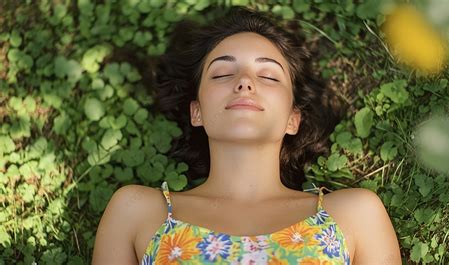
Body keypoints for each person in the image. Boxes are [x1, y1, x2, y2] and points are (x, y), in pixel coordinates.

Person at [92, 6, 402, 265]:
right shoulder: (137, 211)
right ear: (196, 111)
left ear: (293, 119)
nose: (244, 82)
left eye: (267, 76)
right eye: (222, 74)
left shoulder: (355, 214)